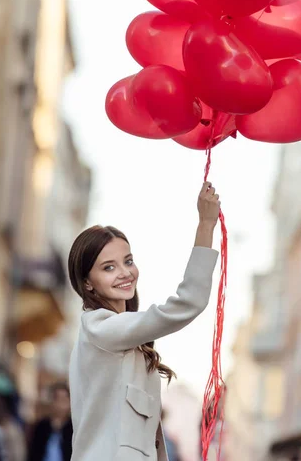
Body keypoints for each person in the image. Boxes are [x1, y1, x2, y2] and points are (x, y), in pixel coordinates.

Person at [68, 181, 220, 461]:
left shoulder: (118, 333)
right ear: (88, 283)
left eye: (128, 261)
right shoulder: (102, 329)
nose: (125, 273)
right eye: (108, 267)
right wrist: (205, 226)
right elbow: (188, 303)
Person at [26, 383, 72, 461]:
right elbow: (33, 452)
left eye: (64, 400)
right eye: (57, 399)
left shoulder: (72, 428)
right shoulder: (41, 426)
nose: (60, 404)